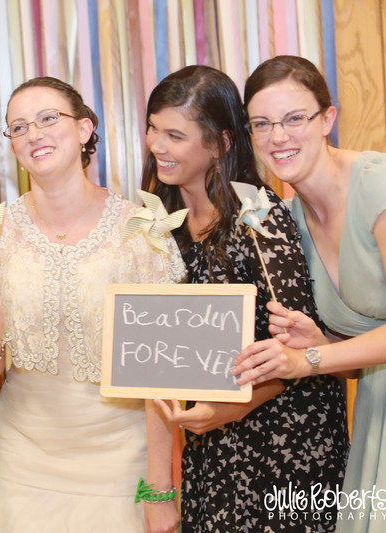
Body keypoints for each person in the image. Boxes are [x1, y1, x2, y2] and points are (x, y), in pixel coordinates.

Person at [0, 76, 185, 533]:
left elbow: (163, 377)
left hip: (121, 460)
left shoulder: (141, 233)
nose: (33, 134)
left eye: (47, 119)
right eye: (18, 127)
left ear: (84, 129)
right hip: (23, 462)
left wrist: (158, 490)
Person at [142, 65, 348, 532]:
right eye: (153, 128)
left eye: (175, 134)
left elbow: (301, 350)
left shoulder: (258, 218)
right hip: (211, 447)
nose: (157, 145)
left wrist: (229, 409)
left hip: (288, 445)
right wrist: (157, 489)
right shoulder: (158, 229)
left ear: (221, 143)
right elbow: (153, 364)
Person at [234, 55, 386, 532]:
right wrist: (320, 343)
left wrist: (305, 362)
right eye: (262, 124)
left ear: (328, 118)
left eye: (295, 119)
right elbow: (357, 362)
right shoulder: (288, 223)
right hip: (381, 408)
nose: (279, 137)